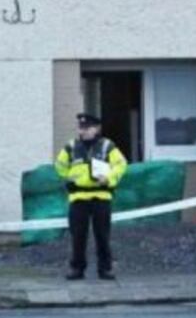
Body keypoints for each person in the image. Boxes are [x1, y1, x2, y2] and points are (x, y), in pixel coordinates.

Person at [54, 113, 127, 280]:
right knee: (78, 236)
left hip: (101, 196)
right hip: (78, 197)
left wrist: (109, 178)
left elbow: (121, 165)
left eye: (87, 128)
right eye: (81, 128)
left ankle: (105, 269)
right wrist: (67, 177)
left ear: (97, 129)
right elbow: (59, 166)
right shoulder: (71, 146)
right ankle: (77, 269)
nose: (83, 131)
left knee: (102, 236)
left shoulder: (107, 146)